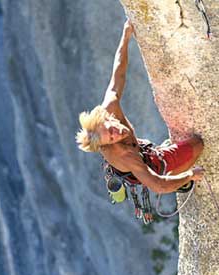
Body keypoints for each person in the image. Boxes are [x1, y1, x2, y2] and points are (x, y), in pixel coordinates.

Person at [75, 19, 205, 194]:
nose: (117, 133)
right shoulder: (125, 155)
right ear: (109, 144)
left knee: (143, 147)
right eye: (112, 138)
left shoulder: (109, 107)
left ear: (106, 119)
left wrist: (126, 35)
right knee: (197, 144)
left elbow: (118, 73)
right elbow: (159, 185)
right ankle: (176, 173)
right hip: (147, 165)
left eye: (111, 130)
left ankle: (162, 156)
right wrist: (189, 175)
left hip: (139, 151)